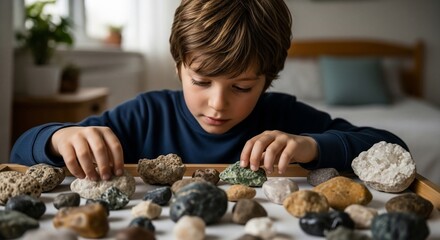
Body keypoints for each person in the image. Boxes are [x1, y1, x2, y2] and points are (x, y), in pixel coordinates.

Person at [10, 0, 407, 182]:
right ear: (178, 65)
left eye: (242, 86)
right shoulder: (146, 115)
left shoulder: (285, 119)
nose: (218, 104)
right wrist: (59, 137)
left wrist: (312, 146)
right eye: (201, 82)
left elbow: (392, 149)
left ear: (267, 80)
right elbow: (19, 152)